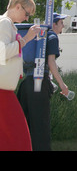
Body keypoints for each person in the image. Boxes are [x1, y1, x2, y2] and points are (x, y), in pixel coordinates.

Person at [17, 13, 69, 151]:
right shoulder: (51, 37)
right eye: (61, 22)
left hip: (26, 84)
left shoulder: (34, 35)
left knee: (25, 125)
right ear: (54, 24)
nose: (63, 25)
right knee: (41, 128)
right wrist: (62, 85)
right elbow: (51, 63)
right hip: (39, 84)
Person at [0, 0, 40, 151]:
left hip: (4, 90)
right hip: (2, 91)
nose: (27, 18)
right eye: (27, 13)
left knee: (9, 139)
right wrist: (25, 40)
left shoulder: (8, 24)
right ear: (17, 6)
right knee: (19, 137)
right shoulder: (4, 23)